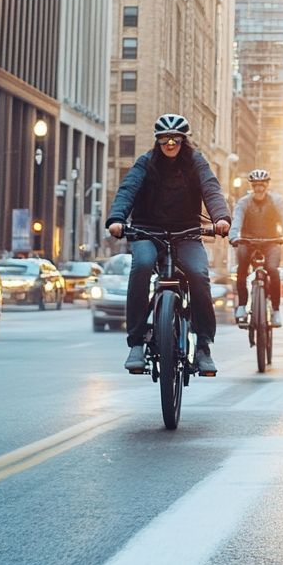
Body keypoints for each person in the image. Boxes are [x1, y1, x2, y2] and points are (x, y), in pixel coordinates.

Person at [106, 113, 231, 375]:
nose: (170, 144)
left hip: (186, 231)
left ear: (184, 141)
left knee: (198, 273)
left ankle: (203, 347)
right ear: (157, 141)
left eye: (176, 138)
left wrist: (220, 217)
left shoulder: (196, 162)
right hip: (147, 230)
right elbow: (128, 189)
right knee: (141, 266)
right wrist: (117, 218)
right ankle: (137, 343)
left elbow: (211, 188)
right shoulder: (145, 163)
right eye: (164, 139)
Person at [230, 168, 283, 328]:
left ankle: (276, 310)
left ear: (267, 185)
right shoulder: (243, 202)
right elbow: (236, 219)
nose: (259, 188)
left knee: (273, 270)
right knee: (242, 270)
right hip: (248, 241)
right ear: (251, 186)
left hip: (271, 241)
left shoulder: (277, 201)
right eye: (256, 185)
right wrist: (233, 236)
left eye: (262, 185)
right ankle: (242, 306)